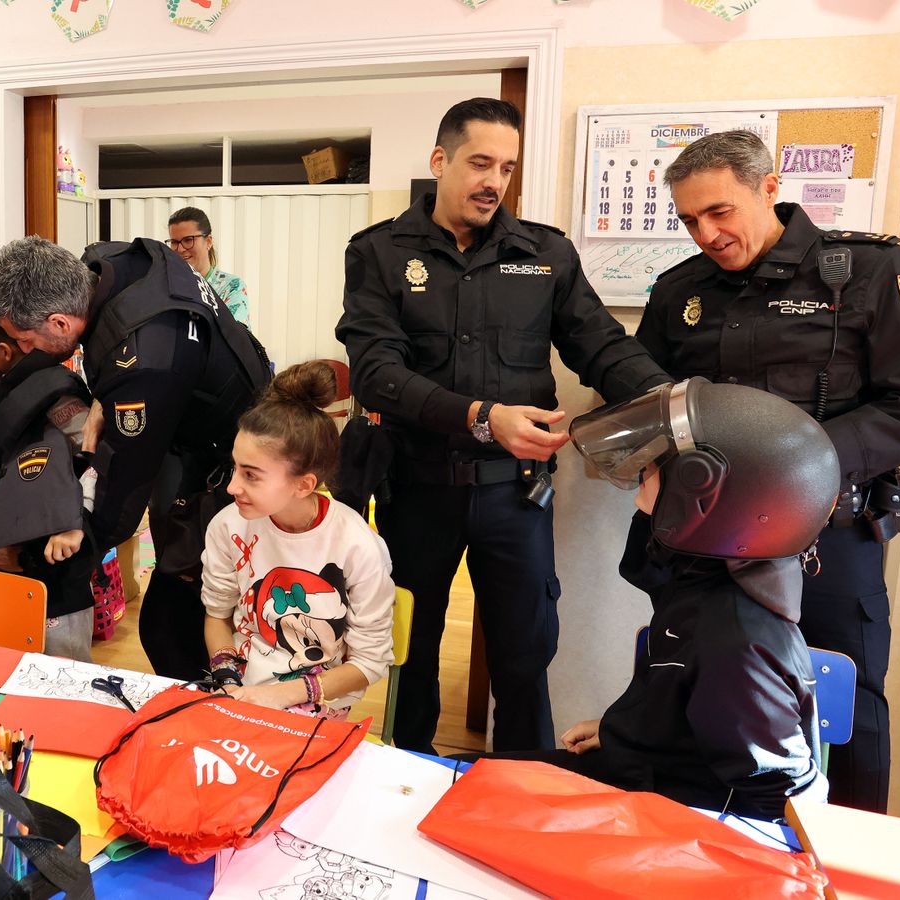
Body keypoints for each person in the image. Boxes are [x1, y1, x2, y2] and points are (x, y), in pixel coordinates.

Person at [636, 129, 900, 813]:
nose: (707, 233)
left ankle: (847, 866)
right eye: (690, 219)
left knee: (842, 709)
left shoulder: (869, 271)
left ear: (770, 189)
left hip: (825, 542)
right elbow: (653, 401)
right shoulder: (679, 291)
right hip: (703, 545)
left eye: (721, 211)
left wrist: (791, 463)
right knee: (693, 701)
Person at [336, 98, 670, 753]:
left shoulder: (544, 256)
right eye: (480, 162)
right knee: (411, 650)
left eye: (507, 167)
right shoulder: (378, 253)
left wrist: (667, 398)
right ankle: (405, 779)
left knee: (523, 656)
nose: (494, 180)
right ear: (441, 161)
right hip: (417, 490)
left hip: (517, 495)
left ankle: (521, 791)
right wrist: (484, 417)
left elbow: (601, 346)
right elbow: (376, 372)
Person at [465, 377, 839, 822]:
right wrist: (625, 730)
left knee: (477, 799)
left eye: (660, 462)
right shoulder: (701, 582)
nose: (643, 467)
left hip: (663, 822)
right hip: (644, 776)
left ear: (702, 488)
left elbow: (784, 798)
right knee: (477, 781)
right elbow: (684, 711)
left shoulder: (737, 642)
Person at [0, 236, 271, 680]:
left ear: (58, 322)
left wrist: (36, 561)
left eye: (26, 339)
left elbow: (122, 500)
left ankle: (221, 722)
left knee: (171, 630)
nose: (27, 351)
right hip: (219, 415)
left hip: (232, 470)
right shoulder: (107, 261)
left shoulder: (143, 362)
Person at [200, 362, 395, 718]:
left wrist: (286, 695)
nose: (232, 487)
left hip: (321, 705)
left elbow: (370, 662)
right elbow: (217, 616)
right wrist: (227, 675)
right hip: (241, 692)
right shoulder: (227, 526)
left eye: (251, 475)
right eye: (234, 467)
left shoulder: (357, 545)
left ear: (303, 484)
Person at [0, 307, 99, 662]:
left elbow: (95, 470)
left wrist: (33, 556)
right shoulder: (5, 391)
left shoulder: (57, 396)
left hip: (57, 580)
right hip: (13, 574)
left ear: (6, 351)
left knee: (64, 680)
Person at [168, 207, 250, 324]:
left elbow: (234, 337)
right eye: (174, 242)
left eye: (188, 240)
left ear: (208, 241)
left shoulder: (231, 287)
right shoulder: (166, 285)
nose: (180, 249)